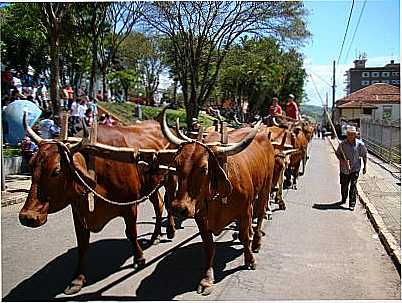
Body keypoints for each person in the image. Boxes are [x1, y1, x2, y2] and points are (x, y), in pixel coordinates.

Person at [335, 126, 367, 210]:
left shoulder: (360, 144)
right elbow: (337, 153)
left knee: (353, 186)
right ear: (347, 134)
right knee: (344, 186)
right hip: (344, 169)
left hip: (355, 169)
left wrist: (365, 167)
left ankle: (352, 204)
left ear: (355, 135)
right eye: (349, 134)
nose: (350, 136)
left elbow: (364, 155)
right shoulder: (342, 144)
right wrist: (342, 160)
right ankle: (344, 198)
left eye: (352, 134)